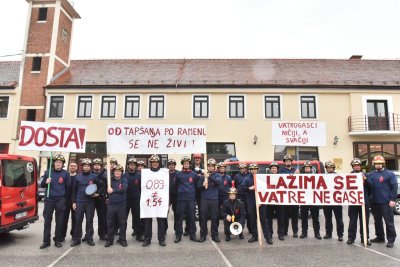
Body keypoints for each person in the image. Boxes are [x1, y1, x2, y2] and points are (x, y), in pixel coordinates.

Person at [39, 154, 71, 249]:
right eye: (57, 162)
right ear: (54, 163)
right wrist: (46, 182)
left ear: (62, 164)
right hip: (49, 199)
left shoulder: (66, 173)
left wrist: (65, 199)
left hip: (60, 200)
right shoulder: (48, 172)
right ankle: (46, 241)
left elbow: (68, 187)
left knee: (60, 221)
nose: (58, 164)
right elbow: (43, 185)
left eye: (60, 163)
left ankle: (57, 239)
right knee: (47, 221)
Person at [368, 155, 398, 248]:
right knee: (377, 221)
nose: (378, 165)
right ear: (374, 164)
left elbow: (394, 187)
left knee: (389, 222)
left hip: (386, 202)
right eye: (376, 164)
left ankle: (391, 240)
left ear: (383, 163)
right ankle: (380, 237)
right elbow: (369, 187)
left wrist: (393, 200)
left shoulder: (390, 174)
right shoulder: (371, 174)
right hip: (375, 202)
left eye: (379, 163)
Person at [243, 163, 272, 244]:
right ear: (250, 170)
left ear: (258, 169)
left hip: (260, 202)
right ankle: (255, 236)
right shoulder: (246, 178)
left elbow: (267, 188)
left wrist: (263, 201)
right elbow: (242, 188)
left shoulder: (262, 178)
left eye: (255, 169)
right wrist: (249, 188)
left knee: (263, 220)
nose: (253, 170)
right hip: (251, 202)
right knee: (252, 220)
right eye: (252, 169)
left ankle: (268, 237)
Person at [71, 158, 98, 247]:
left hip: (90, 202)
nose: (86, 168)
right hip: (79, 202)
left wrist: (98, 194)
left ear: (90, 167)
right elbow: (74, 190)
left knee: (89, 221)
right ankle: (76, 239)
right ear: (82, 167)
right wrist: (74, 202)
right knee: (78, 221)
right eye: (84, 166)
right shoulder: (77, 177)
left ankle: (89, 238)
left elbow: (100, 186)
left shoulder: (94, 177)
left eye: (88, 166)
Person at [142, 155, 168, 247]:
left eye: (156, 162)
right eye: (153, 162)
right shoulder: (146, 173)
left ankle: (161, 239)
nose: (155, 164)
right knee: (148, 221)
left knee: (161, 221)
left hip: (160, 200)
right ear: (151, 163)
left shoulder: (163, 173)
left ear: (158, 163)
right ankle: (147, 239)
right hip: (149, 200)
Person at [174, 156, 200, 243]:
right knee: (179, 218)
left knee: (192, 217)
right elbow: (176, 186)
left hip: (191, 199)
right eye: (184, 163)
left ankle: (192, 235)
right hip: (181, 199)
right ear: (182, 164)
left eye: (187, 163)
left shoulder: (194, 174)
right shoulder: (178, 174)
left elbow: (196, 186)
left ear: (189, 164)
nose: (186, 164)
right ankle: (178, 235)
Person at [347, 158, 371, 245]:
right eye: (355, 166)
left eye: (358, 165)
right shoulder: (349, 175)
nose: (356, 167)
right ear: (353, 167)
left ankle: (365, 238)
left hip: (364, 202)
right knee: (353, 221)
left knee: (364, 221)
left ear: (360, 166)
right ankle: (351, 238)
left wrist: (365, 179)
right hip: (353, 202)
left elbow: (371, 186)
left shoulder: (366, 175)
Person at [198, 158, 222, 242]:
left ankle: (214, 235)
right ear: (207, 167)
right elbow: (198, 187)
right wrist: (202, 185)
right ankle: (203, 234)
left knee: (214, 218)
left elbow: (218, 183)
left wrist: (209, 177)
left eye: (212, 166)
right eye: (209, 166)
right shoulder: (202, 176)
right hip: (204, 199)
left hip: (214, 199)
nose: (211, 167)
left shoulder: (218, 175)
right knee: (203, 218)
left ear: (215, 167)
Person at [105, 164, 128, 247]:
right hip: (111, 205)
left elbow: (124, 189)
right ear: (113, 172)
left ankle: (122, 239)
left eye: (119, 171)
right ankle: (109, 240)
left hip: (122, 205)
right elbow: (98, 178)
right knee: (110, 223)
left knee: (122, 223)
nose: (117, 173)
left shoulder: (124, 179)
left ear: (121, 172)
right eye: (115, 171)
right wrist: (105, 169)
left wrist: (113, 190)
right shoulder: (109, 180)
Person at [124, 157, 144, 242]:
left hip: (136, 200)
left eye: (133, 165)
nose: (132, 166)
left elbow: (142, 187)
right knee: (123, 218)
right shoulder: (124, 175)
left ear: (136, 166)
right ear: (128, 166)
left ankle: (139, 234)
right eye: (130, 165)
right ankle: (122, 236)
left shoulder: (139, 175)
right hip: (126, 200)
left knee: (137, 218)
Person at [322, 161, 344, 241]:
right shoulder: (323, 177)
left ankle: (340, 234)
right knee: (328, 218)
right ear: (326, 169)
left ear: (333, 168)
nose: (329, 169)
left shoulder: (338, 176)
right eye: (328, 168)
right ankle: (328, 233)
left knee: (339, 219)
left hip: (336, 201)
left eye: (331, 167)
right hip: (327, 200)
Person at [300, 161, 321, 240]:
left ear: (311, 169)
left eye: (308, 168)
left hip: (313, 200)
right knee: (304, 218)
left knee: (315, 218)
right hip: (304, 200)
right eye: (306, 168)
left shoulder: (316, 177)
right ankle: (304, 233)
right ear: (304, 169)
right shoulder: (300, 177)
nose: (307, 169)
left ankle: (317, 233)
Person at [279, 154, 299, 238]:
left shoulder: (296, 170)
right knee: (285, 216)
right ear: (284, 162)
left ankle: (295, 231)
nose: (288, 162)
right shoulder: (281, 170)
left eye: (289, 161)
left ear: (291, 162)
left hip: (294, 197)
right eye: (286, 161)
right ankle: (285, 231)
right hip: (284, 197)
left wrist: (298, 175)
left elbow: (299, 182)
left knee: (295, 216)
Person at [266, 162, 285, 241]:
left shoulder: (282, 177)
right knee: (269, 219)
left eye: (275, 168)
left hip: (279, 201)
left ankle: (280, 234)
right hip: (269, 201)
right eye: (272, 168)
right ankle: (270, 233)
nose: (274, 169)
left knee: (280, 219)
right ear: (270, 170)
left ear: (277, 169)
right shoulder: (266, 177)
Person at [61, 161, 77, 242]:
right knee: (63, 219)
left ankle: (74, 235)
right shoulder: (65, 176)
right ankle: (62, 235)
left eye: (74, 166)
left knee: (75, 219)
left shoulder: (78, 177)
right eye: (71, 166)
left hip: (75, 201)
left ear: (76, 167)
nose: (73, 167)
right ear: (69, 167)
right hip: (65, 201)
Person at [92, 158, 107, 241]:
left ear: (100, 166)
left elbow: (105, 187)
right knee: (89, 218)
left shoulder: (105, 175)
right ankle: (88, 235)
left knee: (102, 217)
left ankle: (102, 234)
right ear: (93, 166)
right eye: (95, 165)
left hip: (101, 199)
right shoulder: (90, 174)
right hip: (91, 199)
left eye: (98, 165)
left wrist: (100, 194)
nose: (97, 166)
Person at [190, 153, 203, 236]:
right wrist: (198, 175)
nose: (197, 159)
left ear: (201, 159)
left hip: (201, 192)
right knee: (190, 212)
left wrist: (200, 175)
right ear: (194, 159)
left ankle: (202, 230)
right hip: (192, 191)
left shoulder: (204, 166)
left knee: (201, 212)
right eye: (196, 158)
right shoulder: (191, 167)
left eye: (198, 158)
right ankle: (188, 229)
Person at [217, 162, 232, 227]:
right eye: (221, 168)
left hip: (226, 197)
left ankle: (228, 230)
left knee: (227, 213)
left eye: (223, 168)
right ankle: (216, 231)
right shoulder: (216, 176)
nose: (222, 169)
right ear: (218, 169)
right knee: (216, 213)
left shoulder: (228, 177)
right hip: (217, 197)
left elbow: (230, 186)